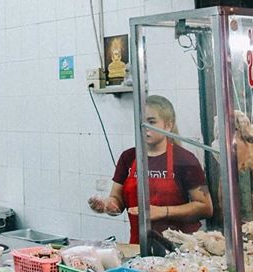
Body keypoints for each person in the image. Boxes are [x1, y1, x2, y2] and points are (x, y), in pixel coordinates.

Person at [87, 95, 213, 244]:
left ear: (168, 125)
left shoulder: (185, 160)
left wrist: (162, 212)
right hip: (139, 245)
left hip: (180, 248)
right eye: (141, 123)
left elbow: (205, 207)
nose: (145, 128)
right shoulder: (128, 157)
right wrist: (108, 206)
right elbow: (117, 201)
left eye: (151, 122)